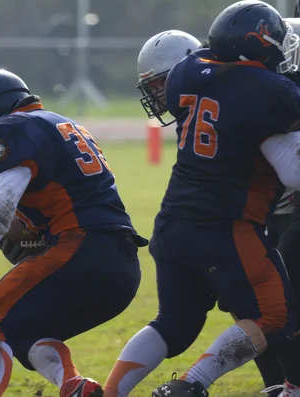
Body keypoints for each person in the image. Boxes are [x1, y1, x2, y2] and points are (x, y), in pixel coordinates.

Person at [102, 1, 300, 396]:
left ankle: (109, 393)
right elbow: (291, 170)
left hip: (172, 224)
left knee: (171, 322)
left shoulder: (186, 76)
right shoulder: (268, 93)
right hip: (226, 226)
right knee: (273, 313)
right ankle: (192, 385)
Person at [0, 68, 148, 397]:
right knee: (24, 331)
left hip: (81, 248)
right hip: (123, 266)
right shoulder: (60, 123)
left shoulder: (12, 131)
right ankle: (76, 387)